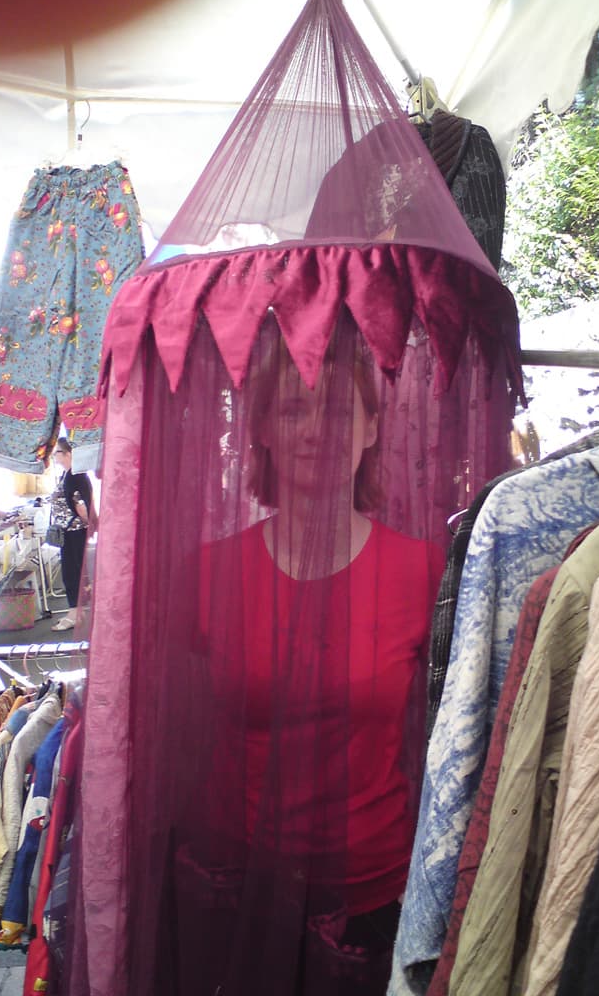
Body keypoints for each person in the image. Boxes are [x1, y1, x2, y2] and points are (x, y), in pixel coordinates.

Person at [168, 336, 445, 995]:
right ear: (261, 426)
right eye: (293, 410)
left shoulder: (424, 571)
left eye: (341, 411)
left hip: (371, 885)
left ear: (374, 426)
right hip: (234, 876)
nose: (319, 432)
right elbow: (171, 729)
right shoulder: (207, 572)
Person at [49, 438, 94, 632]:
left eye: (58, 452)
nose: (55, 456)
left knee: (72, 573)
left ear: (68, 454)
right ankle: (76, 611)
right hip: (71, 530)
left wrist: (89, 524)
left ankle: (74, 613)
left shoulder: (74, 475)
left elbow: (81, 505)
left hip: (74, 531)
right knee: (73, 572)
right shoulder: (70, 474)